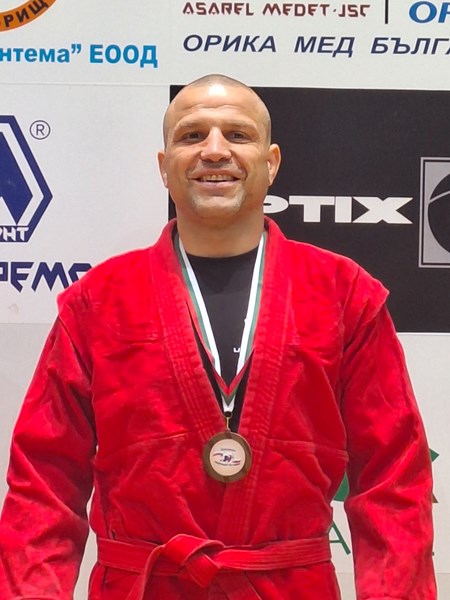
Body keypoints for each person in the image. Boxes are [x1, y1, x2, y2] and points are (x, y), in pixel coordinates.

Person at [0, 74, 436, 599]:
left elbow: (393, 480)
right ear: (164, 166)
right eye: (191, 136)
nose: (214, 150)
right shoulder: (97, 302)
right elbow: (43, 483)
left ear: (271, 163)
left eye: (237, 134)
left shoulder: (344, 295)